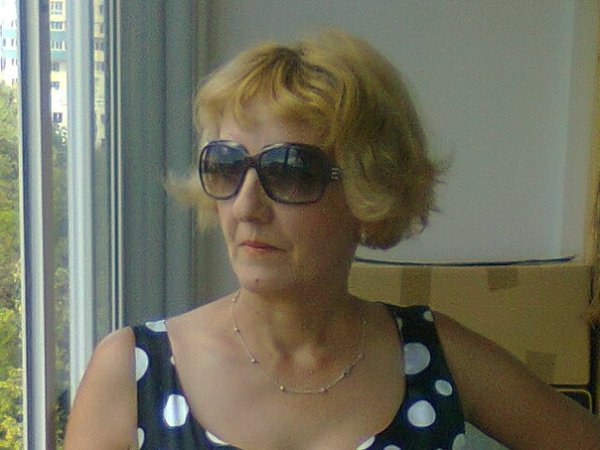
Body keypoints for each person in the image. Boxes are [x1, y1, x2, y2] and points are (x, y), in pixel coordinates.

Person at [64, 29, 600, 449]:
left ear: (369, 191)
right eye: (227, 165)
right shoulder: (132, 374)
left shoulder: (434, 356)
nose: (247, 206)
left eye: (291, 171)